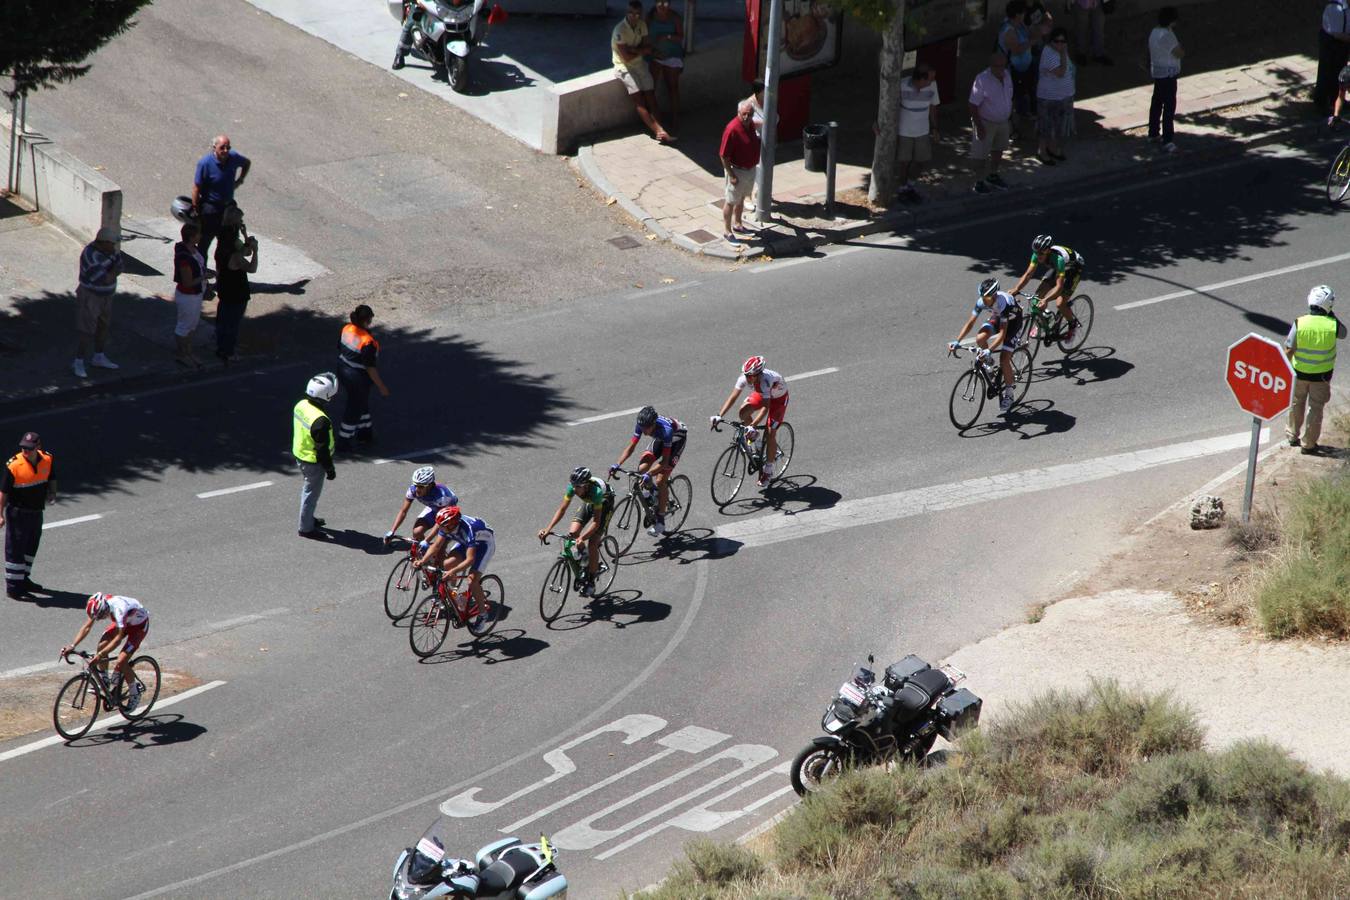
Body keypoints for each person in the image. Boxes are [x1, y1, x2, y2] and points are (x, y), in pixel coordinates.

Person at [948, 278, 1025, 416]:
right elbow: (970, 323)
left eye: (986, 297)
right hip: (997, 317)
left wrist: (989, 350)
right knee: (980, 338)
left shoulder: (1003, 303)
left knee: (1004, 359)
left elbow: (1002, 335)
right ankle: (989, 365)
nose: (983, 300)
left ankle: (1009, 392)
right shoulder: (982, 301)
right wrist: (958, 341)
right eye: (982, 297)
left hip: (1013, 323)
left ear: (994, 295)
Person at [61, 593, 151, 712]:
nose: (101, 618)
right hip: (124, 623)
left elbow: (118, 639)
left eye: (102, 615)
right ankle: (105, 681)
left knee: (121, 661)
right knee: (101, 646)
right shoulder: (99, 606)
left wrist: (100, 655)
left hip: (138, 627)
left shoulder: (119, 609)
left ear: (105, 608)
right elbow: (87, 627)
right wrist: (72, 646)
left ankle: (135, 692)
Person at [1284, 285, 1346, 455]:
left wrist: (1283, 369)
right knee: (1316, 408)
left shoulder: (1300, 322)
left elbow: (1289, 348)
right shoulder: (1332, 325)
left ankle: (1292, 435)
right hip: (1321, 377)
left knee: (1296, 403)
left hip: (1299, 374)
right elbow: (1344, 333)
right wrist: (1331, 314)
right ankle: (1308, 444)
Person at [710, 356, 789, 487]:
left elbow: (765, 408)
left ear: (759, 374)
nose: (748, 378)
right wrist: (719, 415)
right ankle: (757, 441)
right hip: (763, 394)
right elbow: (733, 397)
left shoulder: (765, 380)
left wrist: (753, 425)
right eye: (746, 375)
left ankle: (768, 471)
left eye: (751, 376)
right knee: (743, 412)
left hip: (778, 399)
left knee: (770, 432)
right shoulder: (744, 378)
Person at [537, 466, 615, 598]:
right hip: (589, 503)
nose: (574, 489)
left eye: (577, 486)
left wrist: (583, 538)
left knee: (592, 542)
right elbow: (562, 509)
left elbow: (596, 523)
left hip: (604, 504)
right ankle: (584, 560)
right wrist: (548, 528)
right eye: (573, 485)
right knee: (572, 534)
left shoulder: (595, 492)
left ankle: (591, 579)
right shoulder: (574, 488)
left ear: (585, 486)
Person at [610, 405, 686, 536]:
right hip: (661, 439)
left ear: (653, 424)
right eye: (642, 428)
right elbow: (631, 447)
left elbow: (664, 462)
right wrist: (617, 464)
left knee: (661, 479)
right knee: (641, 468)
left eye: (647, 428)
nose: (644, 431)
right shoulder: (642, 424)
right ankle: (654, 493)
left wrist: (650, 474)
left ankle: (661, 522)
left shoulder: (666, 431)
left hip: (676, 440)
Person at [414, 506, 495, 622]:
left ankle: (483, 614)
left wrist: (453, 572)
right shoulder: (446, 526)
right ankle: (456, 596)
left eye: (442, 526)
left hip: (484, 545)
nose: (440, 528)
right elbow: (436, 546)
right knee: (447, 564)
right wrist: (422, 561)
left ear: (452, 525)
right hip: (465, 543)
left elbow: (470, 560)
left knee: (472, 580)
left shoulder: (468, 531)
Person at [1, 432, 56, 600]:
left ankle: (23, 579)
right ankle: (13, 587)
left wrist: (53, 492)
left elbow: (51, 477)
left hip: (36, 512)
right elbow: (3, 492)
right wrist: (0, 514)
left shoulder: (47, 459)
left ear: (38, 447)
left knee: (31, 547)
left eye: (29, 448)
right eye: (23, 447)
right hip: (18, 513)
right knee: (15, 550)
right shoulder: (14, 465)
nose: (26, 451)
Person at [612, 0, 674, 143]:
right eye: (631, 13)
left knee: (650, 95)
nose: (634, 16)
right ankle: (657, 131)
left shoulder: (642, 25)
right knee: (639, 100)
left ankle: (661, 128)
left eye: (637, 14)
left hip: (639, 64)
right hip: (624, 67)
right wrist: (641, 51)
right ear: (626, 13)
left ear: (641, 14)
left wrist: (635, 50)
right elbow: (626, 58)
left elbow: (647, 46)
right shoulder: (619, 30)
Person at [1009, 234, 1084, 343]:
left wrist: (1046, 300)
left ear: (1048, 250)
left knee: (1060, 303)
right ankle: (1044, 319)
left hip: (1074, 268)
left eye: (1041, 253)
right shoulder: (1037, 254)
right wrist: (1016, 289)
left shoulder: (1058, 259)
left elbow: (1059, 287)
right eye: (1035, 252)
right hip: (1058, 268)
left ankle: (1073, 324)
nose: (1037, 255)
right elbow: (1028, 274)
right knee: (1037, 297)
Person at [336, 304, 391, 449]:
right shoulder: (368, 342)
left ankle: (365, 432)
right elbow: (370, 368)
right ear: (367, 321)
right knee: (354, 408)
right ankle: (343, 440)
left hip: (342, 369)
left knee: (360, 401)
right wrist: (382, 387)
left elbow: (340, 347)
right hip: (356, 377)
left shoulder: (346, 329)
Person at [73, 226, 124, 379]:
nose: (114, 247)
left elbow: (120, 267)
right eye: (112, 244)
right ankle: (79, 361)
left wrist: (112, 271)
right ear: (103, 242)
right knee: (87, 330)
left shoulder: (111, 251)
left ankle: (99, 356)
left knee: (103, 327)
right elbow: (105, 278)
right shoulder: (90, 256)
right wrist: (113, 271)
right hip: (91, 297)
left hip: (107, 296)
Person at [191, 135, 250, 263]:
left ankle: (223, 276)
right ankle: (202, 273)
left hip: (228, 208)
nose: (225, 151)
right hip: (210, 209)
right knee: (204, 244)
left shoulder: (233, 157)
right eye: (222, 148)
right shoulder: (205, 163)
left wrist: (240, 180)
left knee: (228, 243)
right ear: (214, 148)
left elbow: (246, 163)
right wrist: (195, 209)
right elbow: (196, 188)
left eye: (228, 147)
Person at [294, 372, 338, 538]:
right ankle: (306, 528)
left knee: (309, 491)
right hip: (312, 462)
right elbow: (322, 449)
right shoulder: (320, 420)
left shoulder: (301, 404)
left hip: (300, 454)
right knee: (311, 494)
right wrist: (329, 469)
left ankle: (308, 518)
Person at [213, 205, 258, 364]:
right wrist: (256, 251)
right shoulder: (235, 256)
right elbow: (252, 268)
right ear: (234, 224)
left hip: (224, 288)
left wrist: (245, 237)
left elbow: (244, 250)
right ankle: (228, 352)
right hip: (237, 292)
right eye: (240, 221)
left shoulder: (221, 247)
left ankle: (220, 348)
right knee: (232, 324)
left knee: (222, 320)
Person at [968, 52, 1014, 194]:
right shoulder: (982, 79)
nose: (1000, 69)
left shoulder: (1007, 76)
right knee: (980, 154)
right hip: (986, 122)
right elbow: (973, 105)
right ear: (991, 65)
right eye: (997, 66)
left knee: (998, 149)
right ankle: (979, 181)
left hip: (1002, 121)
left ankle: (992, 174)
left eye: (1002, 65)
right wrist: (979, 127)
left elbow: (1009, 96)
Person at [895, 63, 940, 203]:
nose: (932, 82)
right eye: (929, 79)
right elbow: (892, 105)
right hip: (904, 130)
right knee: (904, 162)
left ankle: (910, 185)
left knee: (922, 160)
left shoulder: (932, 85)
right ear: (921, 80)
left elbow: (933, 107)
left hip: (923, 130)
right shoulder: (901, 85)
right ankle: (902, 189)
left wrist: (935, 128)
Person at [384, 466, 459, 546]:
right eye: (416, 485)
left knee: (439, 546)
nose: (417, 489)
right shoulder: (413, 490)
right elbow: (403, 511)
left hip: (447, 515)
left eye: (421, 486)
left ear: (430, 485)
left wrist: (427, 540)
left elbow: (440, 522)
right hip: (433, 508)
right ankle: (425, 553)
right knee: (417, 532)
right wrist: (392, 531)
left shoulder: (442, 497)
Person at [719, 101, 761, 244]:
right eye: (744, 114)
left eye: (749, 115)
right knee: (730, 201)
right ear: (738, 113)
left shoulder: (750, 125)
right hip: (737, 171)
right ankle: (727, 231)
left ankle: (738, 224)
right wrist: (731, 175)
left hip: (750, 169)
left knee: (742, 198)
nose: (746, 117)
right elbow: (723, 155)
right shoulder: (732, 129)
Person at [1036, 28, 1076, 164]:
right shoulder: (1049, 52)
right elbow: (1061, 72)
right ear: (1051, 41)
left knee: (1057, 127)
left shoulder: (1061, 51)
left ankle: (1052, 148)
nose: (1060, 44)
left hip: (1062, 97)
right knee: (1045, 127)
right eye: (1057, 41)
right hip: (1048, 98)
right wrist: (1064, 53)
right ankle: (1042, 151)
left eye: (1063, 41)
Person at [1148, 8, 1184, 153]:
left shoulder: (1154, 32)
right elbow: (1179, 53)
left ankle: (1153, 133)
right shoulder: (1167, 35)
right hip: (1168, 75)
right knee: (1169, 107)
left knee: (1156, 103)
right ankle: (1167, 140)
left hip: (1158, 72)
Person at [172, 221, 206, 369]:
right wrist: (204, 277)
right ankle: (182, 354)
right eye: (198, 234)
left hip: (196, 294)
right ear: (192, 237)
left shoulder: (193, 249)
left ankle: (188, 352)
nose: (201, 236)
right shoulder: (184, 258)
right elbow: (187, 282)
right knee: (184, 326)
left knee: (192, 325)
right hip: (188, 296)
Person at [647, 0, 685, 132]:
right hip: (655, 56)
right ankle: (654, 119)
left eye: (666, 2)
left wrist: (667, 36)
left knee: (673, 87)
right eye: (659, 2)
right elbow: (646, 38)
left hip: (673, 56)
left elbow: (680, 37)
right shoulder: (650, 16)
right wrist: (653, 52)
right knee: (651, 87)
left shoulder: (675, 17)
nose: (662, 6)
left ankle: (675, 118)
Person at [999, 2, 1034, 131]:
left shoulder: (1019, 25)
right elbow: (1016, 50)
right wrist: (1031, 42)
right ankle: (1011, 128)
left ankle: (1021, 117)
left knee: (1021, 94)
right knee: (1011, 98)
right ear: (1017, 14)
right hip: (1012, 70)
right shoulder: (1009, 30)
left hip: (1023, 69)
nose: (1025, 14)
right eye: (1023, 13)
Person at [1317, 0, 1350, 115]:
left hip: (1339, 42)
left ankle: (1334, 99)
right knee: (1329, 72)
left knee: (1339, 71)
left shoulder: (1344, 7)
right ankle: (1326, 102)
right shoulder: (1337, 8)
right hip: (1332, 43)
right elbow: (1337, 34)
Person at [1069, 0, 1110, 67]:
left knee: (1098, 28)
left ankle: (1098, 54)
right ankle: (1081, 54)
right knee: (1081, 28)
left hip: (1098, 3)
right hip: (1081, 3)